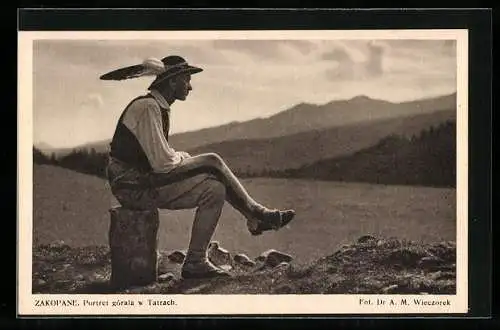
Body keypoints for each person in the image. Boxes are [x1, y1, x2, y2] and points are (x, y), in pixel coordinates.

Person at [101, 55, 296, 279]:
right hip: (132, 187)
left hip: (140, 183)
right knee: (212, 161)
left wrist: (183, 158)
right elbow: (162, 164)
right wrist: (190, 161)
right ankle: (258, 214)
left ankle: (195, 261)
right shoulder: (148, 108)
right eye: (186, 79)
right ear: (172, 81)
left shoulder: (156, 107)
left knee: (214, 189)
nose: (190, 86)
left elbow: (160, 156)